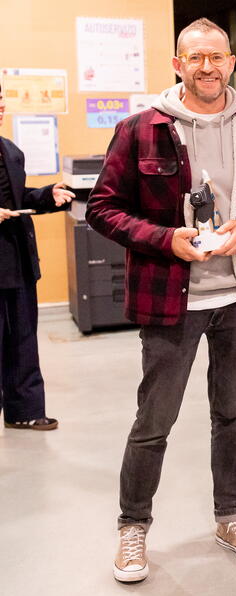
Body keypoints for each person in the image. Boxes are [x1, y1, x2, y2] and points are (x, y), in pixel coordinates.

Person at [86, 18, 236, 583]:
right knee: (154, 421)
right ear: (178, 64)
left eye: (217, 57)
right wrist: (164, 239)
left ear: (231, 62)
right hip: (170, 302)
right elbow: (103, 208)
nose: (208, 67)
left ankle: (231, 516)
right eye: (195, 58)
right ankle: (133, 529)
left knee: (233, 415)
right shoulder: (140, 129)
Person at [0, 83, 74, 431]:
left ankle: (25, 410)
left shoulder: (10, 151)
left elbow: (19, 197)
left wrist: (47, 195)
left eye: (0, 100)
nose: (0, 106)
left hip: (16, 261)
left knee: (23, 340)